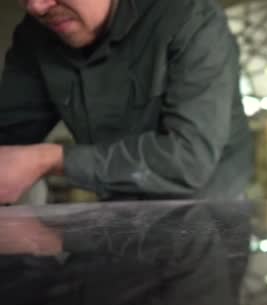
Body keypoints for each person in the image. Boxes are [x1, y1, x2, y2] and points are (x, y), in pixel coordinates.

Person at [0, 0, 253, 204]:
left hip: (207, 215)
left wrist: (51, 159)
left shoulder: (189, 18)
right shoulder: (36, 36)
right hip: (119, 212)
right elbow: (9, 131)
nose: (36, 6)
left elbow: (188, 159)